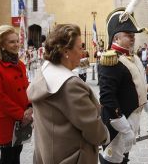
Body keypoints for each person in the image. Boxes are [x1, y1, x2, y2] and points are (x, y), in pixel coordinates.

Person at [27, 24, 109, 164]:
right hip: (72, 157)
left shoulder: (45, 71)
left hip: (49, 154)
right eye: (80, 47)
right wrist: (105, 136)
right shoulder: (70, 85)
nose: (83, 52)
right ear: (66, 52)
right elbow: (91, 126)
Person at [98, 8, 148, 164]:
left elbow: (139, 87)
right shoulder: (111, 60)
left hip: (132, 118)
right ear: (117, 38)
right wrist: (124, 128)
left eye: (133, 35)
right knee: (112, 159)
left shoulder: (132, 57)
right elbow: (107, 97)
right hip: (118, 122)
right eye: (128, 35)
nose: (132, 38)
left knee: (123, 158)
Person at [0, 25, 33, 164]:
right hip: (7, 120)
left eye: (17, 41)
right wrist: (21, 115)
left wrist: (30, 107)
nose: (16, 44)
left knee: (17, 153)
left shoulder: (20, 64)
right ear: (1, 44)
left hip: (22, 118)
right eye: (11, 42)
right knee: (7, 157)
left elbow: (26, 88)